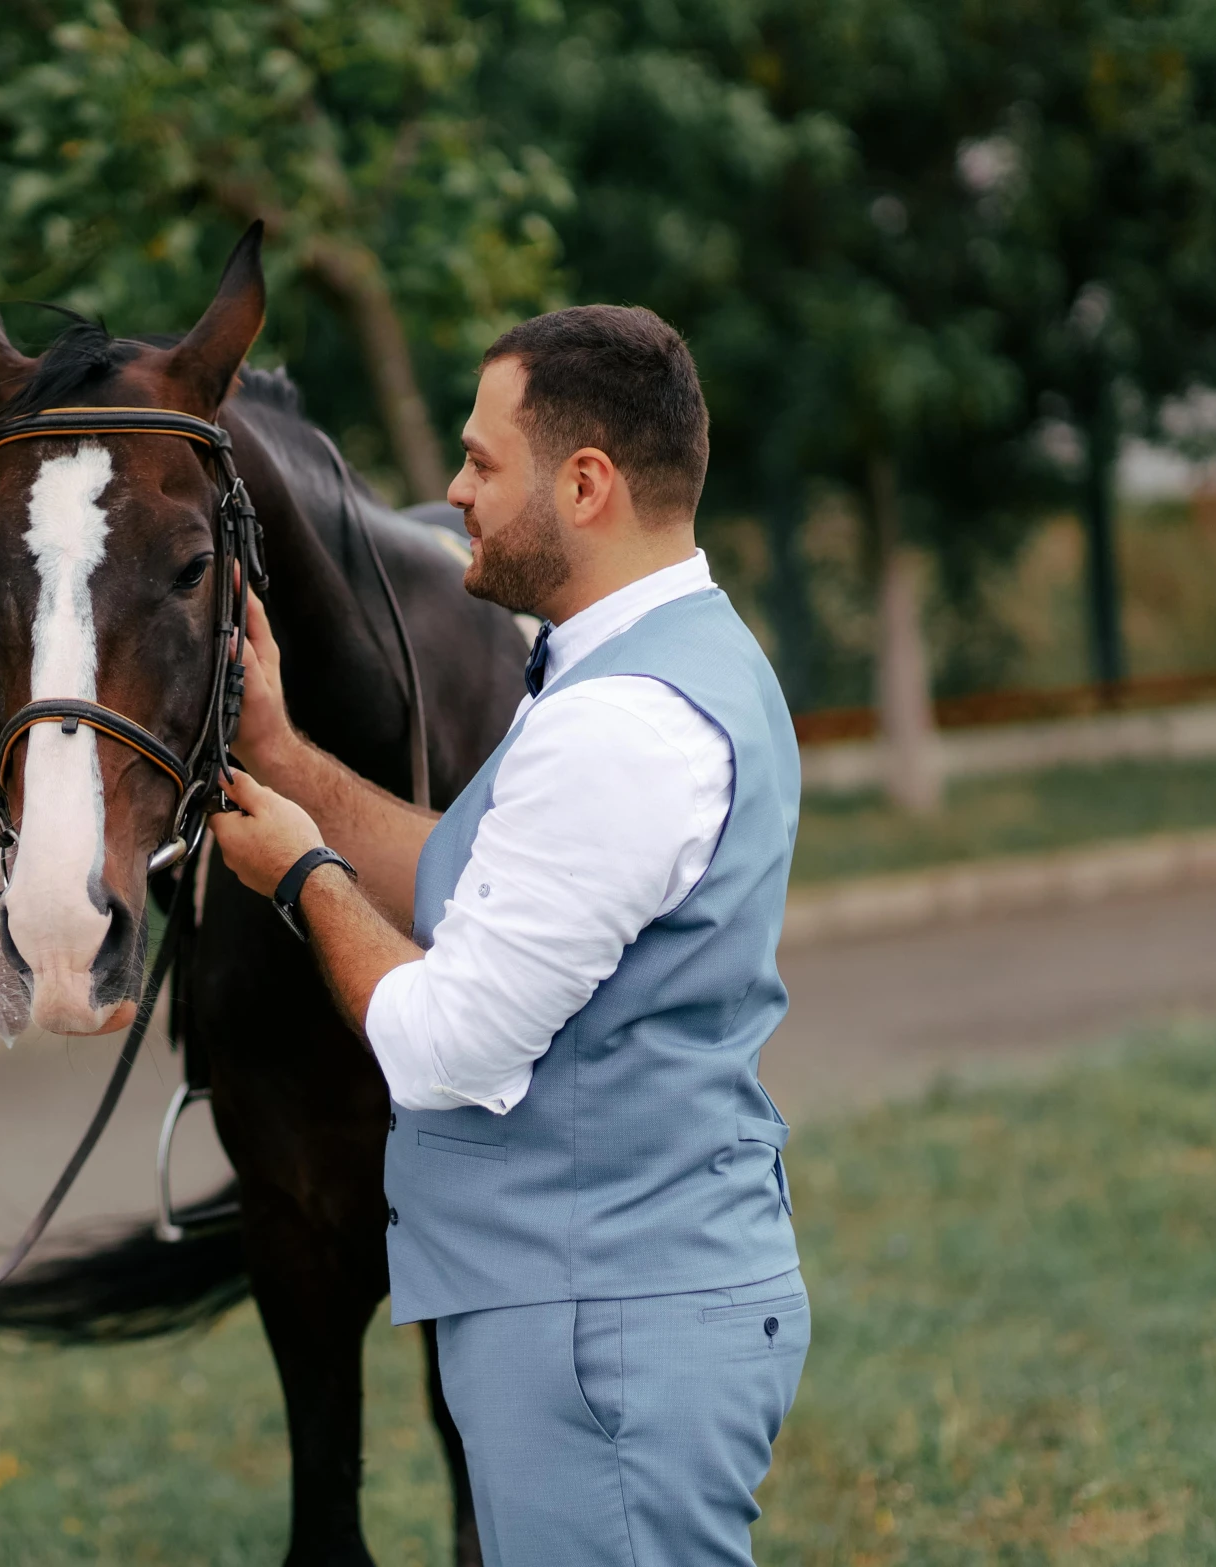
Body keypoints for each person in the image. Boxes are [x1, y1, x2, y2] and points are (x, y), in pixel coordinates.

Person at [207, 308, 808, 1565]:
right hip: (607, 1302)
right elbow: (454, 872)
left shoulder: (620, 724)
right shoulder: (647, 667)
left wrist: (302, 875)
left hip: (603, 1325)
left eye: (482, 463)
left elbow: (445, 1046)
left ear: (584, 484)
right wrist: (282, 755)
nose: (450, 489)